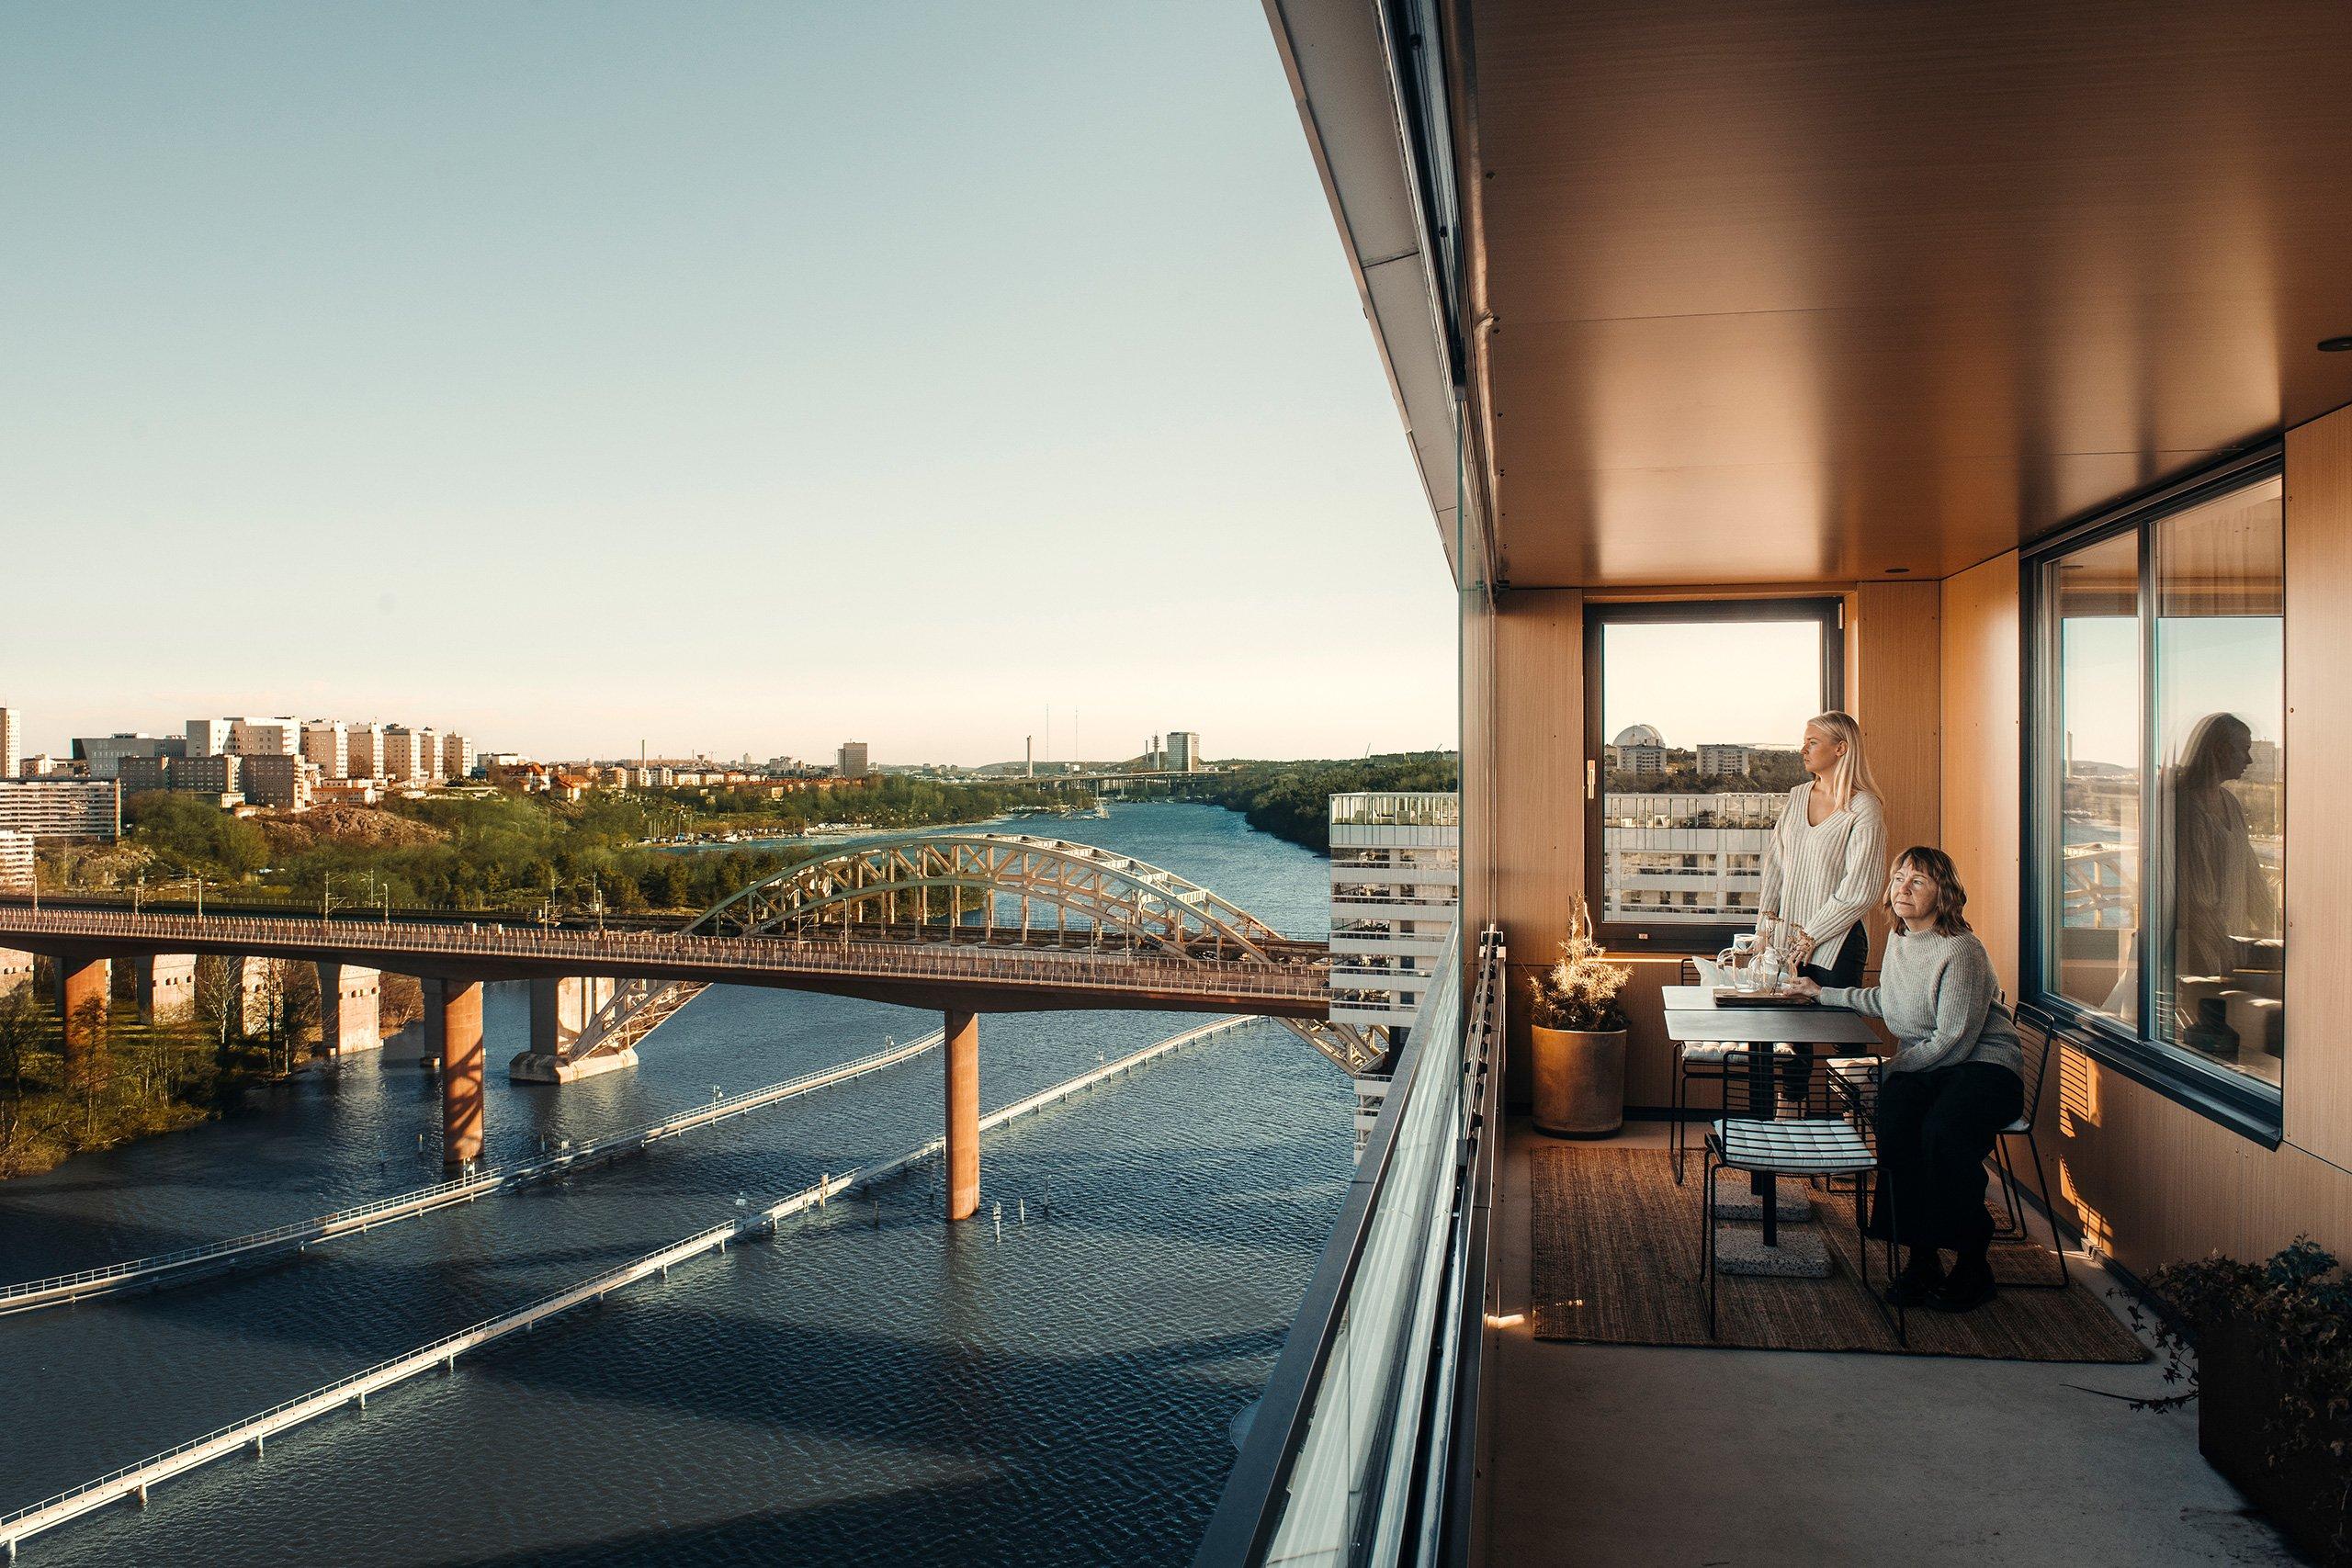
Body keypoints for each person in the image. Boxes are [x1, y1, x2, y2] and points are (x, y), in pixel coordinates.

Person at [1791, 847, 2024, 1313]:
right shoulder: (1900, 939)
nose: (1903, 888)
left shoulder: (1960, 949)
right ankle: (1922, 1259)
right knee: (1895, 1119)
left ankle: (1974, 1263)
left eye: (1917, 880)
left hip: (1985, 1069)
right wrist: (1825, 994)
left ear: (1945, 892)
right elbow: (1891, 1001)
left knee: (1940, 1133)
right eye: (1899, 878)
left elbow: (1954, 1039)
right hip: (1933, 1066)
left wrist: (1889, 1068)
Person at [1756, 711, 1888, 1101]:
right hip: (1786, 943)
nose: (1803, 748)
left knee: (1845, 1043)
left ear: (1840, 748)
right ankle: (1787, 1121)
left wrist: (1810, 934)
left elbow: (1861, 889)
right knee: (1792, 1041)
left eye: (1812, 741)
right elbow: (1776, 865)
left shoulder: (1864, 808)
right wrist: (1766, 927)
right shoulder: (1797, 797)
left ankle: (1856, 1133)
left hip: (1839, 945)